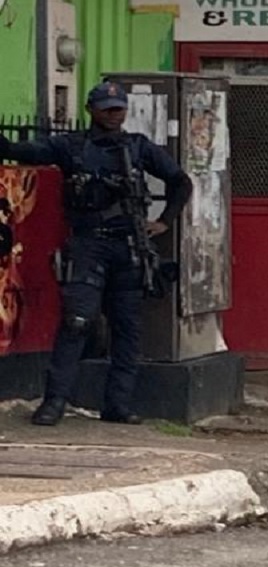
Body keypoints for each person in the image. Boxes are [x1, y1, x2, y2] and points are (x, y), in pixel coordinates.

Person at [0, 81, 192, 426]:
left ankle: (117, 405)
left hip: (129, 246)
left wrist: (164, 221)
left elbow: (181, 181)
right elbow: (23, 151)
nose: (113, 114)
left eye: (118, 108)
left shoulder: (138, 147)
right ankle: (54, 402)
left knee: (128, 329)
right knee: (77, 322)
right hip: (88, 245)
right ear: (91, 110)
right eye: (106, 108)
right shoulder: (70, 146)